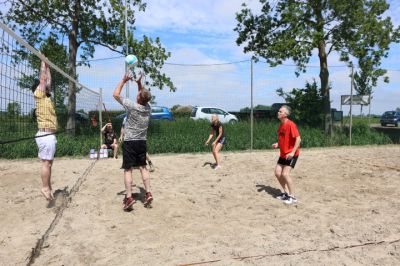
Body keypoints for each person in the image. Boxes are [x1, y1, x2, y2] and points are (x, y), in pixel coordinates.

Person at [113, 72, 153, 210]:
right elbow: (143, 97)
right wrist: (139, 84)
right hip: (142, 142)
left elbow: (116, 94)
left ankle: (129, 197)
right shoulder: (148, 108)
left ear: (138, 97)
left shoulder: (131, 105)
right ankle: (148, 193)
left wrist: (124, 80)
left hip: (130, 142)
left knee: (128, 170)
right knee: (143, 167)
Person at [32, 57, 57, 201]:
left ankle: (48, 187)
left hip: (48, 135)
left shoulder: (46, 97)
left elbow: (48, 81)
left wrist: (48, 66)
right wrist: (42, 62)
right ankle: (45, 187)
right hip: (45, 135)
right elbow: (43, 79)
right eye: (43, 85)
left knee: (49, 163)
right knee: (46, 163)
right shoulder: (39, 95)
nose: (46, 85)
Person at [271, 105, 301, 205]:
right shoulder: (281, 125)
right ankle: (286, 193)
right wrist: (277, 144)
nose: (278, 113)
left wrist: (292, 152)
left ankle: (292, 197)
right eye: (278, 111)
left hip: (291, 154)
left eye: (280, 111)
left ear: (286, 114)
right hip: (283, 154)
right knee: (277, 173)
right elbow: (282, 139)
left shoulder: (291, 124)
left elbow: (298, 139)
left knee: (285, 174)